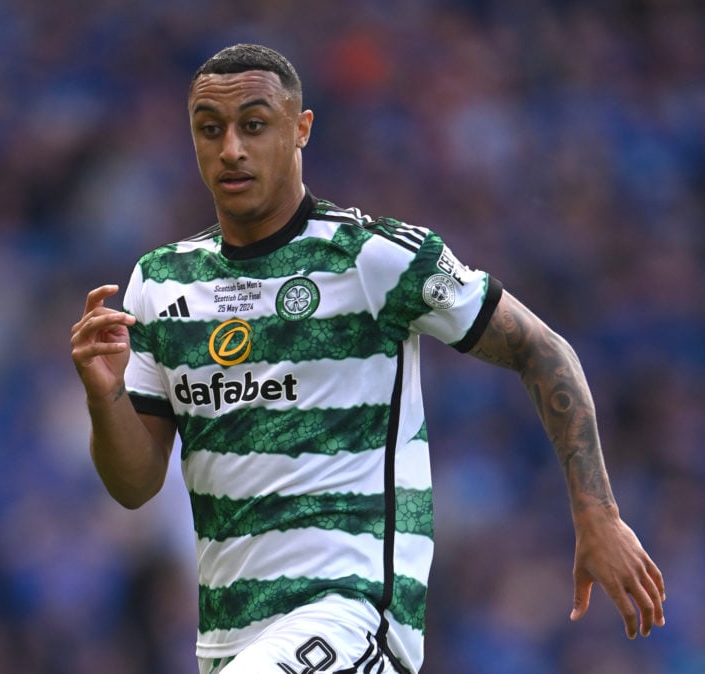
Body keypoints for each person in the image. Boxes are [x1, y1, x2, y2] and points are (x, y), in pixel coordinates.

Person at [70, 43, 665, 674]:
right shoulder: (161, 284)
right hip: (227, 639)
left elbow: (541, 350)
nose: (231, 150)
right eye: (210, 130)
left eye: (254, 124)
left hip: (354, 616)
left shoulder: (373, 257)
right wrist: (104, 395)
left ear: (300, 129)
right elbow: (134, 485)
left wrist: (598, 516)